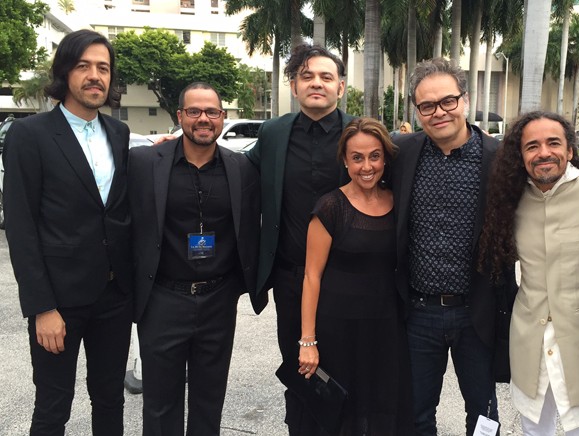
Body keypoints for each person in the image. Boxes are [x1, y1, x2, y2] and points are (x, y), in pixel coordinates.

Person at [2, 29, 133, 435]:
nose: (95, 76)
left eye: (103, 68)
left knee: (110, 399)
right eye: (84, 66)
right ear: (65, 73)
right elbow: (21, 226)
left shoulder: (119, 133)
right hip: (59, 301)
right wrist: (42, 307)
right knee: (53, 406)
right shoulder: (30, 134)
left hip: (114, 297)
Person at [391, 57, 517, 436]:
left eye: (447, 101)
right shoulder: (401, 153)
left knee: (484, 416)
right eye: (427, 105)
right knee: (414, 414)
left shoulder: (500, 159)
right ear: (417, 109)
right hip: (418, 313)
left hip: (476, 311)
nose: (439, 112)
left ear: (464, 99)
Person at [129, 82, 260, 435]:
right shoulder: (143, 162)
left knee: (209, 399)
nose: (204, 119)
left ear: (223, 117)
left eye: (212, 112)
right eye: (194, 111)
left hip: (218, 299)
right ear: (180, 116)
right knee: (159, 402)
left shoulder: (242, 168)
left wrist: (236, 287)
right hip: (162, 300)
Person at [478, 111, 579, 436]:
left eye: (553, 142)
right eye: (532, 146)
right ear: (520, 155)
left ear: (570, 150)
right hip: (530, 341)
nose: (543, 153)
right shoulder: (509, 199)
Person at [244, 43, 355, 435]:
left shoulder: (359, 132)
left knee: (344, 368)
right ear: (293, 86)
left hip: (348, 279)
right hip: (290, 280)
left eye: (326, 77)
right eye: (307, 76)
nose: (316, 84)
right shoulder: (273, 133)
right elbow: (239, 173)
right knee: (299, 367)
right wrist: (177, 151)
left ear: (341, 87)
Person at [297, 117, 413, 434]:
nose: (366, 166)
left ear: (385, 159)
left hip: (387, 328)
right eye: (357, 157)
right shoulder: (330, 207)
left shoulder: (398, 202)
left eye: (374, 156)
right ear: (345, 161)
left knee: (383, 409)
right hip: (338, 330)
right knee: (341, 415)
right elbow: (311, 277)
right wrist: (308, 341)